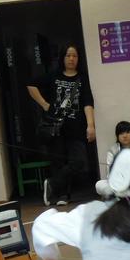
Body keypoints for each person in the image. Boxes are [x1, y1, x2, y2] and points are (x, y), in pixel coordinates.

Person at [26, 43, 96, 206]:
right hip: (56, 128)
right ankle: (63, 195)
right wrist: (45, 104)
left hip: (76, 127)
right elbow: (31, 85)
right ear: (63, 57)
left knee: (78, 161)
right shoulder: (54, 75)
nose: (71, 59)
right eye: (68, 55)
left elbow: (88, 101)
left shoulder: (82, 77)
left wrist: (90, 125)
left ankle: (51, 183)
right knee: (59, 161)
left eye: (74, 56)